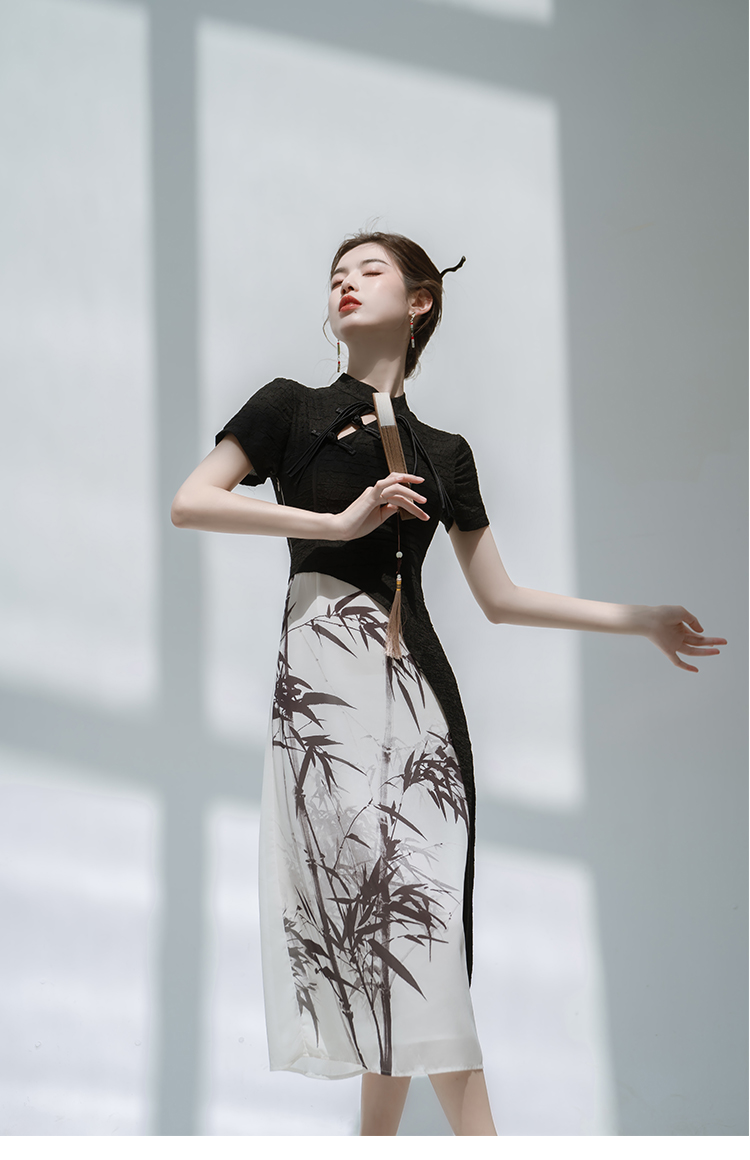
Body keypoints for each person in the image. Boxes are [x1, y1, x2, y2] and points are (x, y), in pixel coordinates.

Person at [170, 230, 727, 1136]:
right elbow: (191, 501)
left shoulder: (445, 451)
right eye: (337, 275)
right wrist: (340, 523)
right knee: (392, 935)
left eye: (370, 271)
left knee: (414, 933)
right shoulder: (289, 408)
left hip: (423, 712)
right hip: (325, 705)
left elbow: (500, 599)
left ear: (420, 300)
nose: (347, 283)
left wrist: (640, 619)